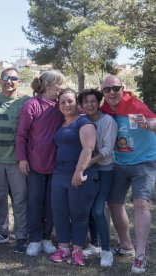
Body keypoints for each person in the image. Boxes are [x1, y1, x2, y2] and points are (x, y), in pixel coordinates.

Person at [100, 75, 156, 273]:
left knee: (141, 203)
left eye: (116, 88)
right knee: (114, 203)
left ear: (122, 88)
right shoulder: (105, 109)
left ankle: (140, 256)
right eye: (107, 90)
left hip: (144, 161)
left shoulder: (135, 105)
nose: (112, 93)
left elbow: (155, 123)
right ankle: (126, 246)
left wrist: (148, 125)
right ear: (103, 93)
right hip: (119, 163)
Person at [16, 70, 65, 256]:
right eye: (57, 84)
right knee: (35, 202)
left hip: (57, 164)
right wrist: (22, 159)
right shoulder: (32, 105)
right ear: (46, 85)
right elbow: (21, 135)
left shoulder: (62, 105)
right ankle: (34, 239)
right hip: (35, 163)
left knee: (51, 203)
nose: (60, 88)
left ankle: (46, 237)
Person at [49, 88, 98, 266]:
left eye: (69, 101)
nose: (66, 105)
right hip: (59, 174)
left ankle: (78, 250)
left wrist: (79, 171)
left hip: (79, 174)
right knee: (59, 212)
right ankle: (64, 249)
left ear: (76, 103)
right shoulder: (62, 123)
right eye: (62, 102)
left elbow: (88, 148)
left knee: (79, 214)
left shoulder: (84, 122)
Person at [0, 67, 30, 253]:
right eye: (5, 77)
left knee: (20, 199)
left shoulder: (25, 101)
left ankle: (21, 235)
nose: (9, 81)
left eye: (13, 78)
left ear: (19, 82)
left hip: (17, 160)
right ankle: (1, 232)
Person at [78, 89, 118, 267]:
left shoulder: (107, 121)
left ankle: (107, 251)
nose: (90, 105)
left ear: (99, 102)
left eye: (93, 101)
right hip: (90, 170)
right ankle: (94, 244)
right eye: (86, 102)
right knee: (88, 208)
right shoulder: (82, 121)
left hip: (105, 170)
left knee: (99, 210)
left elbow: (109, 148)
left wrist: (90, 161)